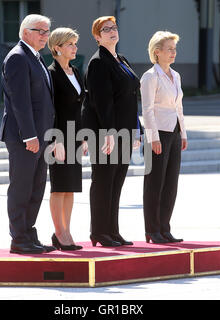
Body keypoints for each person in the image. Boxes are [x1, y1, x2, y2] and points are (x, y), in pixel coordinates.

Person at [81, 16, 142, 247]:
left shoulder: (121, 59)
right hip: (105, 134)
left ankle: (112, 231)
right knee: (103, 181)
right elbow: (101, 101)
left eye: (114, 27)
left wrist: (137, 130)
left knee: (116, 183)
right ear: (97, 37)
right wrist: (108, 133)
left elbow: (129, 98)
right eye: (105, 30)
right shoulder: (98, 62)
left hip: (124, 132)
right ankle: (99, 231)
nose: (112, 32)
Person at [0, 14, 56, 254]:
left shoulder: (36, 57)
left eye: (47, 31)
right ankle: (19, 238)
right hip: (25, 137)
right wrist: (29, 136)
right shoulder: (17, 58)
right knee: (21, 187)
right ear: (25, 32)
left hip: (40, 136)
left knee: (36, 188)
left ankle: (29, 233)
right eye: (40, 31)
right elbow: (19, 102)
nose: (45, 35)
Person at [140, 31, 187, 244]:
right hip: (157, 134)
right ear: (156, 52)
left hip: (174, 132)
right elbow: (147, 109)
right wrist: (153, 138)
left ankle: (164, 228)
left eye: (174, 49)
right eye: (169, 49)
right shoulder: (150, 76)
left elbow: (179, 107)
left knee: (170, 183)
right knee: (154, 183)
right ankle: (152, 230)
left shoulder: (175, 75)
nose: (173, 53)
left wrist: (183, 133)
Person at [47, 27, 86, 251]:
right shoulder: (51, 74)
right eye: (70, 44)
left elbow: (80, 107)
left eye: (75, 43)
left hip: (75, 136)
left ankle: (67, 231)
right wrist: (55, 139)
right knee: (59, 186)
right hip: (58, 137)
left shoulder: (76, 71)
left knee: (71, 187)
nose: (74, 48)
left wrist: (83, 137)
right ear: (57, 48)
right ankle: (59, 232)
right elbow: (51, 109)